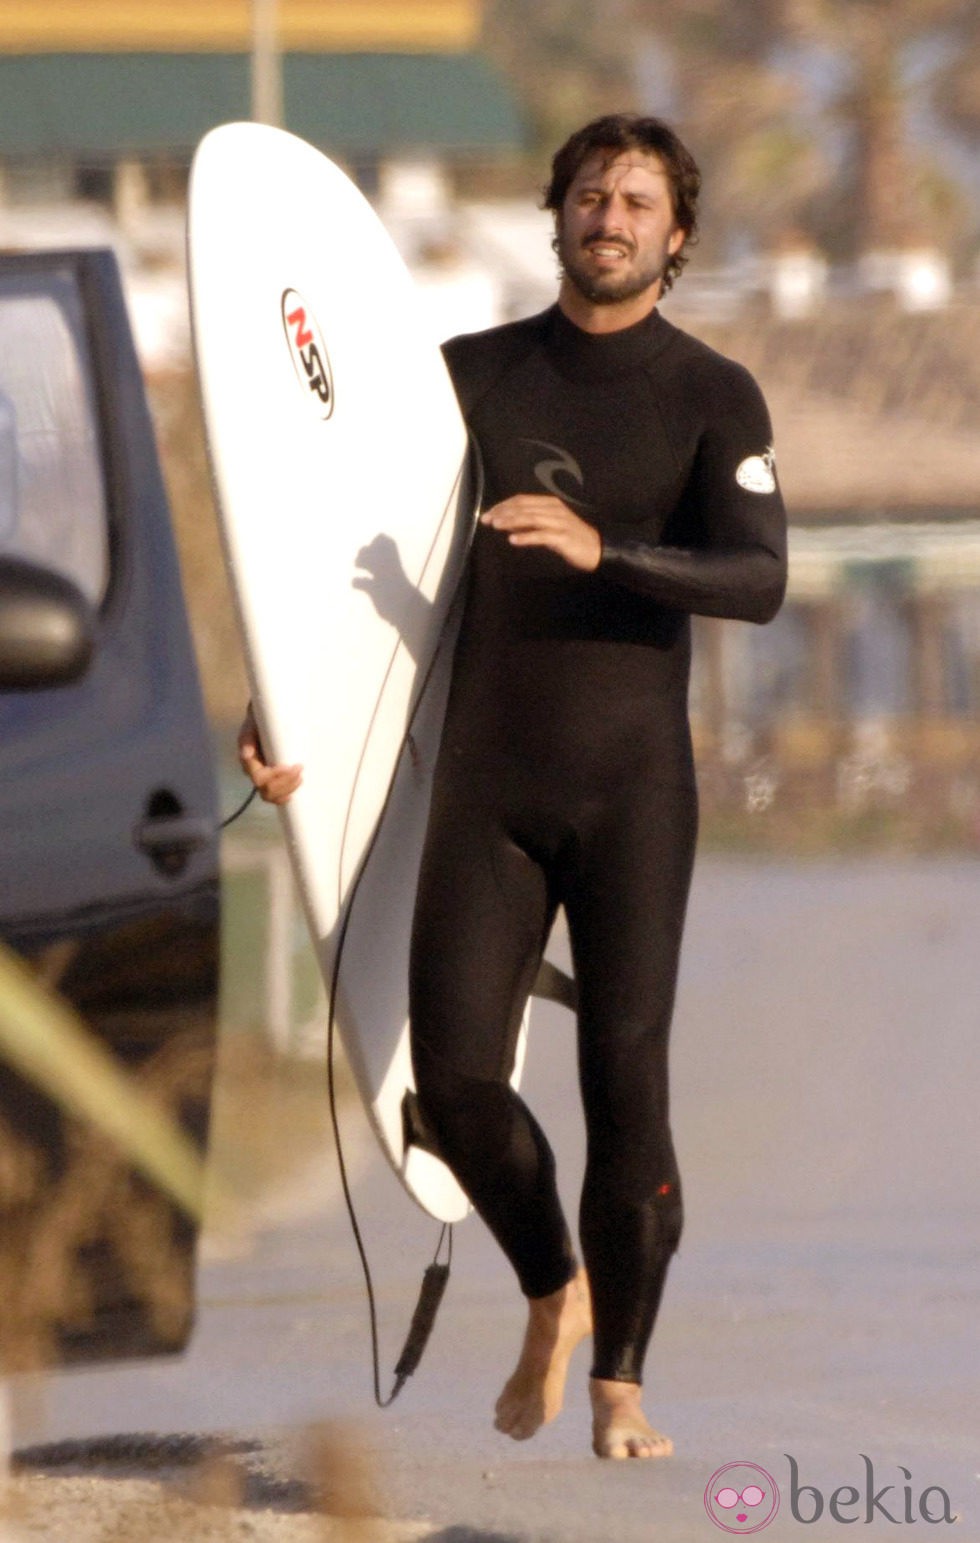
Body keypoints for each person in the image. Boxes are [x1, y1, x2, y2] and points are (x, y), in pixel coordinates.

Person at [239, 112, 787, 1461]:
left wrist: (607, 551)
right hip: (487, 790)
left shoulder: (714, 397)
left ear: (677, 239)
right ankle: (554, 1288)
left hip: (633, 791)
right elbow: (336, 566)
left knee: (625, 1085)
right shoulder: (463, 380)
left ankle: (621, 1388)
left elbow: (761, 579)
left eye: (637, 200)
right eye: (589, 194)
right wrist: (277, 706)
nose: (608, 215)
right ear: (558, 220)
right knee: (458, 1087)